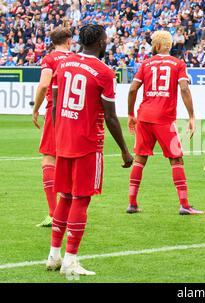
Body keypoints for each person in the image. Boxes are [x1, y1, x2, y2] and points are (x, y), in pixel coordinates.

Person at [46, 25, 133, 276]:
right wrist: (125, 151)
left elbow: (54, 105)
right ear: (101, 43)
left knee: (65, 196)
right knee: (81, 199)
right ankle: (70, 260)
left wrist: (59, 134)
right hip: (87, 143)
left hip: (63, 139)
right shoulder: (104, 72)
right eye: (106, 40)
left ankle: (54, 255)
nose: (108, 43)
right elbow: (111, 116)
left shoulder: (63, 64)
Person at [126, 30, 203, 215]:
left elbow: (132, 89)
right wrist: (191, 115)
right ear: (169, 45)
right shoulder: (178, 64)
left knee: (140, 159)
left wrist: (130, 114)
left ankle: (132, 203)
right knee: (176, 158)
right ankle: (184, 205)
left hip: (144, 116)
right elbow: (184, 88)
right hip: (164, 118)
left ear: (156, 45)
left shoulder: (145, 64)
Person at [31, 27, 73, 227]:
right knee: (71, 160)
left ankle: (54, 213)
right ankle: (72, 211)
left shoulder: (50, 59)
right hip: (76, 114)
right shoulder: (76, 59)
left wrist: (35, 109)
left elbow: (44, 84)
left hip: (56, 111)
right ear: (68, 41)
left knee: (48, 158)